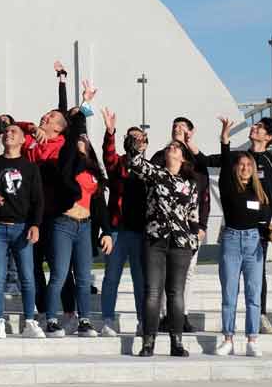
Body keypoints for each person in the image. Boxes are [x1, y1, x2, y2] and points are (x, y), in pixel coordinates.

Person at [43, 108, 112, 338]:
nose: (82, 140)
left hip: (85, 226)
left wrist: (107, 231)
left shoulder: (93, 171)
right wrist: (80, 113)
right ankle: (52, 319)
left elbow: (100, 205)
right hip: (64, 223)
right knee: (59, 274)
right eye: (79, 138)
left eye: (85, 138)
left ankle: (84, 320)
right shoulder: (67, 163)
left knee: (84, 277)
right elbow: (66, 168)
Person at [128, 138, 200, 358]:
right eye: (169, 146)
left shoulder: (191, 183)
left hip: (181, 243)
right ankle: (148, 342)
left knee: (176, 294)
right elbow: (135, 163)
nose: (172, 148)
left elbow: (193, 215)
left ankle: (176, 342)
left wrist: (194, 240)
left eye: (176, 147)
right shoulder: (155, 174)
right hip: (155, 240)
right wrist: (136, 147)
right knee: (152, 292)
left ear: (183, 157)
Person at [213, 116, 272, 357]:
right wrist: (225, 138)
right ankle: (228, 338)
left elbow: (263, 219)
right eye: (241, 165)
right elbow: (226, 157)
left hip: (253, 243)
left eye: (249, 166)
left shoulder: (259, 194)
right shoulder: (229, 188)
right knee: (229, 293)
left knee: (253, 294)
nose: (245, 168)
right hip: (231, 240)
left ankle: (252, 339)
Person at [0, 118, 45, 339]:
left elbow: (38, 200)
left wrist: (35, 225)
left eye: (14, 131)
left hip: (22, 228)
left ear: (22, 139)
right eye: (6, 131)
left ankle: (29, 321)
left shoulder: (30, 168)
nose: (8, 133)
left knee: (27, 277)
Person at [153, 117, 210, 334]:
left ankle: (181, 315)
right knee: (164, 272)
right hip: (163, 228)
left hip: (190, 227)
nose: (177, 129)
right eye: (174, 126)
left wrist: (202, 225)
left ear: (191, 132)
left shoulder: (197, 161)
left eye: (182, 126)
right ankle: (163, 316)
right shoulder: (161, 156)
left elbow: (203, 196)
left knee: (188, 273)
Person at [99, 110, 149, 337]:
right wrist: (110, 132)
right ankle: (108, 320)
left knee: (141, 280)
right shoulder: (117, 163)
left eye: (141, 139)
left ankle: (142, 320)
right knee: (111, 276)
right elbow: (108, 156)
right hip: (118, 229)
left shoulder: (149, 168)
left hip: (140, 232)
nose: (137, 142)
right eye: (132, 138)